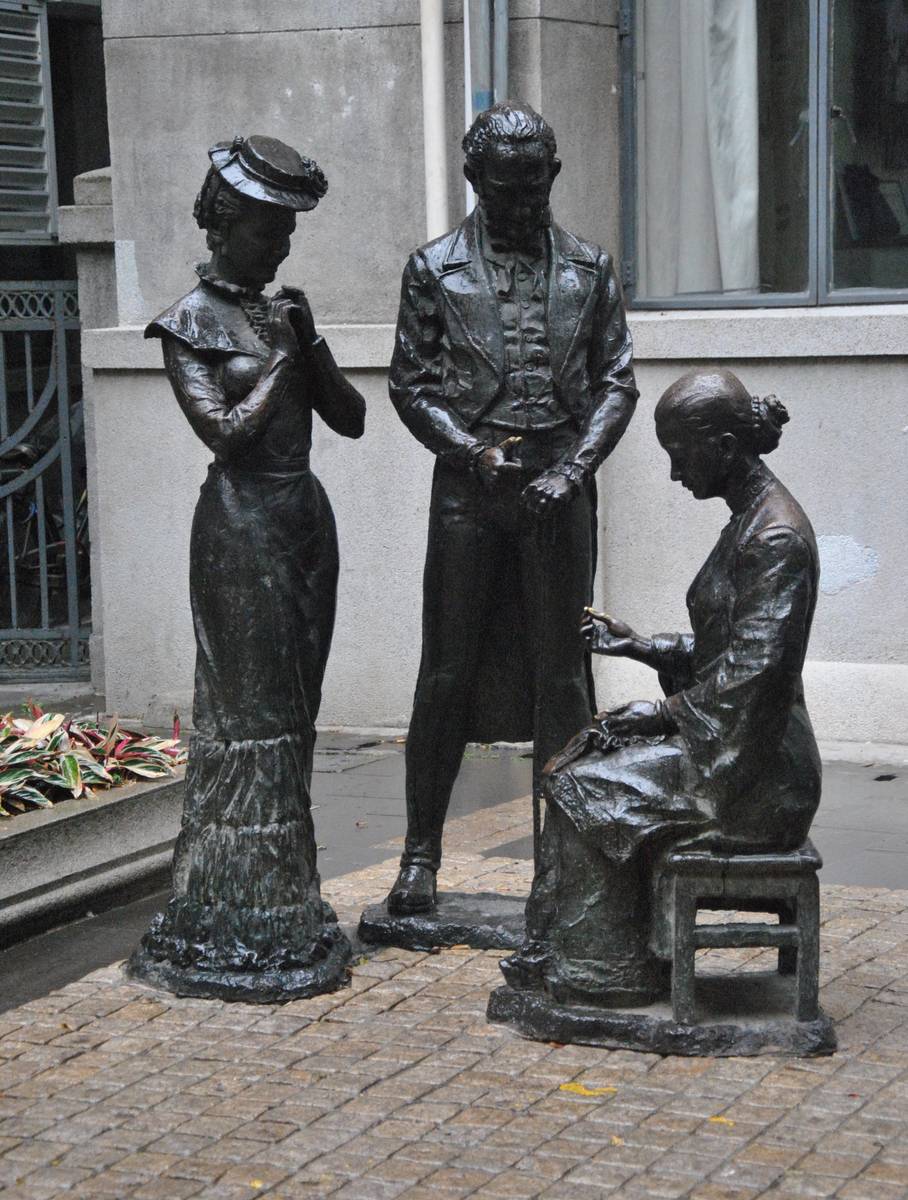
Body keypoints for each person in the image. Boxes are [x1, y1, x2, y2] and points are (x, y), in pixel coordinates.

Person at [384, 102, 638, 916]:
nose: (522, 201)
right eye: (504, 187)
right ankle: (420, 856)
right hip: (470, 491)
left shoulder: (590, 268)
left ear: (552, 175)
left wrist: (576, 468)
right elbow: (409, 384)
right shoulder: (434, 268)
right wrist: (471, 451)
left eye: (534, 185)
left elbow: (617, 382)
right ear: (474, 179)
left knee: (563, 675)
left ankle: (561, 864)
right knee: (446, 669)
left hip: (560, 489)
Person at [128, 135, 365, 1000]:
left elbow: (352, 419)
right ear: (225, 227)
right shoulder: (186, 322)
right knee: (245, 711)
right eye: (271, 232)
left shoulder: (282, 316)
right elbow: (224, 433)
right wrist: (284, 362)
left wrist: (313, 342)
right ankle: (228, 907)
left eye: (288, 234)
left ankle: (285, 899)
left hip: (303, 521)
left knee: (293, 713)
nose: (281, 249)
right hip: (239, 528)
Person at [501, 368, 821, 1007]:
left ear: (724, 448)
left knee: (585, 785)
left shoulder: (775, 536)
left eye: (681, 455)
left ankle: (607, 972)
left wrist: (660, 713)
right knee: (583, 756)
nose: (675, 474)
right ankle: (568, 950)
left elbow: (756, 676)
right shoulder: (749, 519)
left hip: (761, 777)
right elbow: (729, 652)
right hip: (734, 746)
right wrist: (642, 646)